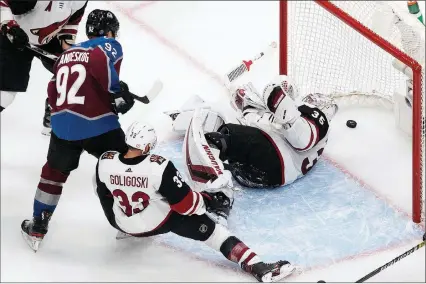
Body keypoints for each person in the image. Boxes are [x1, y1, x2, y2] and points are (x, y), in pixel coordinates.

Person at [94, 121, 296, 283]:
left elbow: (101, 192)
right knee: (214, 232)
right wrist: (207, 201)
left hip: (121, 221)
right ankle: (257, 266)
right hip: (156, 223)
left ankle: (129, 225)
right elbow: (186, 205)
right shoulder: (158, 166)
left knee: (120, 200)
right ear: (147, 146)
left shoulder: (105, 160)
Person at [21, 9, 136, 252]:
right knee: (125, 163)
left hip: (63, 126)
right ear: (109, 31)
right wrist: (117, 92)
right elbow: (100, 63)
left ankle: (38, 225)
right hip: (99, 123)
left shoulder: (65, 55)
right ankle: (130, 220)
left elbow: (53, 92)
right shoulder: (108, 44)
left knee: (53, 173)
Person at [173, 75, 337, 189]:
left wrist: (276, 95)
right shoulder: (289, 122)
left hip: (275, 159)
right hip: (259, 175)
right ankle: (219, 183)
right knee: (222, 134)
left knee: (227, 134)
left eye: (317, 99)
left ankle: (210, 179)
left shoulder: (318, 118)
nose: (312, 98)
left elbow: (302, 140)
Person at [0, 0, 88, 134]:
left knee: (74, 70)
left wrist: (69, 54)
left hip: (47, 39)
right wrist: (10, 27)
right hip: (14, 36)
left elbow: (72, 21)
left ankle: (53, 116)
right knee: (6, 96)